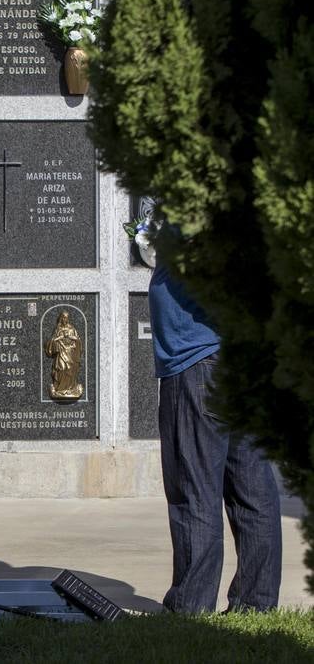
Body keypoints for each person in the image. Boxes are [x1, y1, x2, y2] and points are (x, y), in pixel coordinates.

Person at [150, 260, 281, 612]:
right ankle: (256, 604)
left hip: (198, 359)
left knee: (193, 489)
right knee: (251, 488)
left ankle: (190, 607)